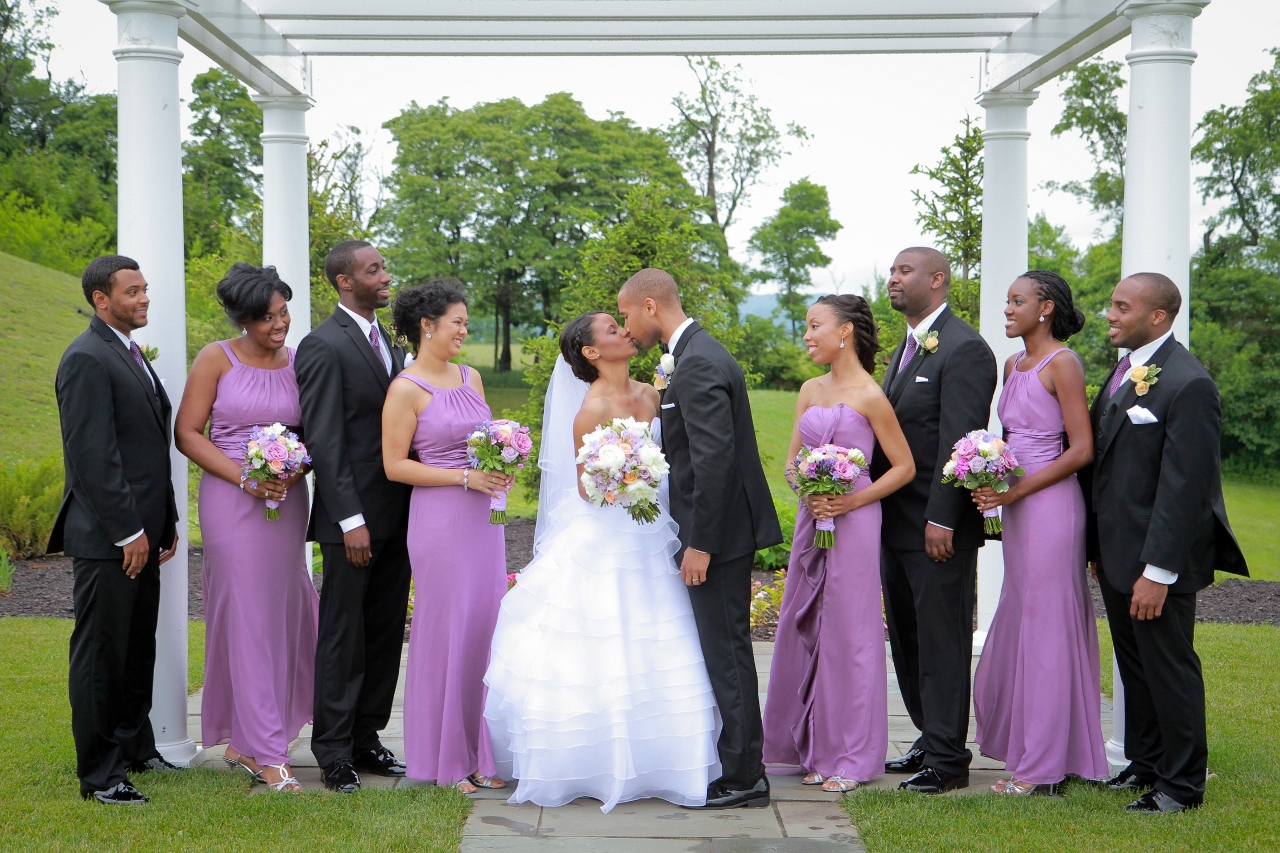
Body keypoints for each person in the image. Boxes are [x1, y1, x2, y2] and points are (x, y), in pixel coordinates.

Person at [483, 313, 718, 812]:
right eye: (612, 330)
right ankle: (588, 760)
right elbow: (587, 491)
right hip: (606, 537)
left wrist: (648, 477)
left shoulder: (653, 394)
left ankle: (663, 759)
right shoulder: (589, 411)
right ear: (591, 353)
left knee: (659, 634)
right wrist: (627, 480)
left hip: (653, 534)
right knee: (600, 639)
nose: (623, 333)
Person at [618, 269, 783, 810]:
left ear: (649, 305)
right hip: (717, 529)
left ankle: (744, 775)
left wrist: (702, 543)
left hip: (718, 534)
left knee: (728, 650)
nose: (625, 326)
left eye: (625, 315)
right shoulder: (694, 355)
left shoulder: (698, 363)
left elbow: (715, 462)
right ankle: (739, 764)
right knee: (725, 648)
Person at [1082, 272, 1247, 813]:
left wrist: (1159, 571)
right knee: (1136, 667)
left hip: (1157, 561)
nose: (1110, 314)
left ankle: (1181, 785)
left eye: (1121, 307)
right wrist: (1096, 547)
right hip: (1115, 553)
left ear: (1157, 316)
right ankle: (1147, 763)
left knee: (1169, 667)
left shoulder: (1188, 382)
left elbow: (1186, 486)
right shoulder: (1129, 367)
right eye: (1112, 304)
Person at [174, 263, 319, 794]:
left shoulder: (300, 361)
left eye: (283, 313)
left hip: (285, 495)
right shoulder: (217, 358)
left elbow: (311, 433)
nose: (279, 325)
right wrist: (245, 478)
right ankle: (267, 752)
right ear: (241, 320)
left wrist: (292, 468)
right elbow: (187, 434)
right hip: (231, 499)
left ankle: (246, 739)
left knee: (285, 613)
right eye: (266, 318)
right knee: (248, 616)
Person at [764, 295, 915, 793]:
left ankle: (850, 757)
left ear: (845, 330)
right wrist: (809, 487)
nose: (807, 335)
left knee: (850, 634)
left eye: (814, 326)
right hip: (814, 518)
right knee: (804, 624)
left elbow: (904, 467)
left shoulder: (872, 395)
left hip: (854, 519)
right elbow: (791, 461)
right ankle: (809, 746)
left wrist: (850, 502)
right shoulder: (809, 388)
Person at [969, 271, 1107, 795]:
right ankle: (1044, 750)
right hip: (1019, 506)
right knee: (1026, 618)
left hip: (1050, 507)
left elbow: (1080, 449)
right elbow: (1011, 437)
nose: (1008, 309)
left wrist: (1015, 491)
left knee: (1047, 627)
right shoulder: (1013, 364)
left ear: (1045, 308)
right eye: (1007, 301)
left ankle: (1043, 769)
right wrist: (987, 476)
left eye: (1017, 301)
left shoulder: (1063, 363)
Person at [50, 254, 182, 804]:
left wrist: (167, 520)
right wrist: (128, 531)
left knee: (135, 649)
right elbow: (93, 456)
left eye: (145, 289)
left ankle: (134, 747)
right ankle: (101, 774)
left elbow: (149, 447)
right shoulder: (85, 357)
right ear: (102, 300)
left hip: (144, 533)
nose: (144, 298)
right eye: (133, 292)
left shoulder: (129, 353)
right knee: (101, 654)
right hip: (110, 539)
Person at [871, 247, 997, 794]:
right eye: (893, 271)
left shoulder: (966, 349)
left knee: (942, 641)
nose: (894, 279)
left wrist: (943, 518)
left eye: (905, 271)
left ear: (938, 280)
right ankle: (929, 735)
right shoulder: (907, 346)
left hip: (935, 527)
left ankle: (948, 759)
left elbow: (959, 440)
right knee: (907, 637)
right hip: (893, 524)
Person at [296, 240, 413, 793]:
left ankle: (367, 737)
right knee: (343, 634)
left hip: (400, 514)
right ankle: (334, 750)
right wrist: (349, 521)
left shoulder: (386, 340)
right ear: (345, 282)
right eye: (374, 270)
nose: (385, 277)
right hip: (355, 522)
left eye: (383, 267)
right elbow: (324, 439)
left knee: (386, 630)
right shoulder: (322, 345)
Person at [383, 281, 509, 792]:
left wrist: (501, 464)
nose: (464, 329)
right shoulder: (405, 389)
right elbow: (394, 466)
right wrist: (463, 477)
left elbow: (482, 440)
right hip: (439, 518)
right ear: (427, 326)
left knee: (484, 626)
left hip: (484, 518)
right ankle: (446, 758)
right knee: (448, 629)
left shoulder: (471, 376)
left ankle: (482, 754)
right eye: (457, 320)